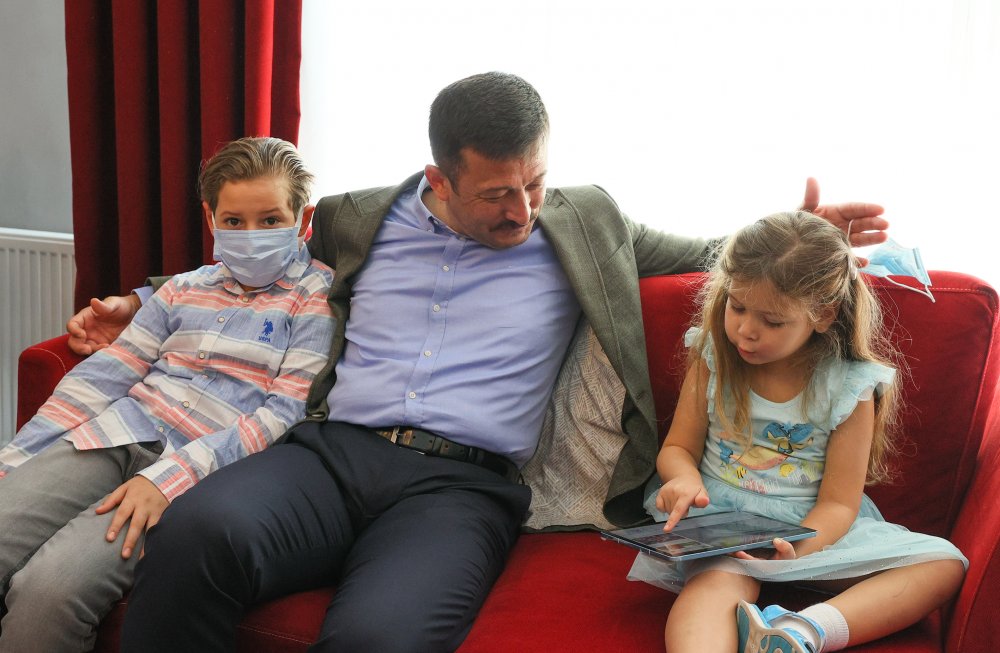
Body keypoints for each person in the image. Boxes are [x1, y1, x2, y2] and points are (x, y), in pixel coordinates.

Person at [66, 73, 890, 653]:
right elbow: (261, 265)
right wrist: (142, 301)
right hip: (330, 454)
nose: (522, 210)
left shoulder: (586, 220)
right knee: (196, 534)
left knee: (380, 638)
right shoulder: (358, 217)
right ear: (441, 176)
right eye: (497, 193)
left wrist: (802, 232)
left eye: (535, 182)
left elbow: (713, 254)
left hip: (460, 487)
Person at [0, 136, 335, 653]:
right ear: (210, 218)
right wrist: (16, 459)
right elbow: (105, 376)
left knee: (48, 594)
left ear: (302, 218)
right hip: (112, 435)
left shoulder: (317, 299)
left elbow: (284, 414)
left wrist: (171, 478)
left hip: (192, 472)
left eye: (270, 220)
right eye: (234, 220)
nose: (251, 235)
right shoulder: (182, 288)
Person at [627, 211, 966, 652]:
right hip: (721, 523)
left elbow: (838, 504)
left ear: (822, 315)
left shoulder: (849, 387)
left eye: (772, 321)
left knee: (943, 565)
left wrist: (794, 550)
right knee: (711, 589)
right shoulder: (714, 356)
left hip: (812, 529)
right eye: (737, 306)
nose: (746, 331)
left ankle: (800, 633)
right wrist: (683, 478)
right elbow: (677, 448)